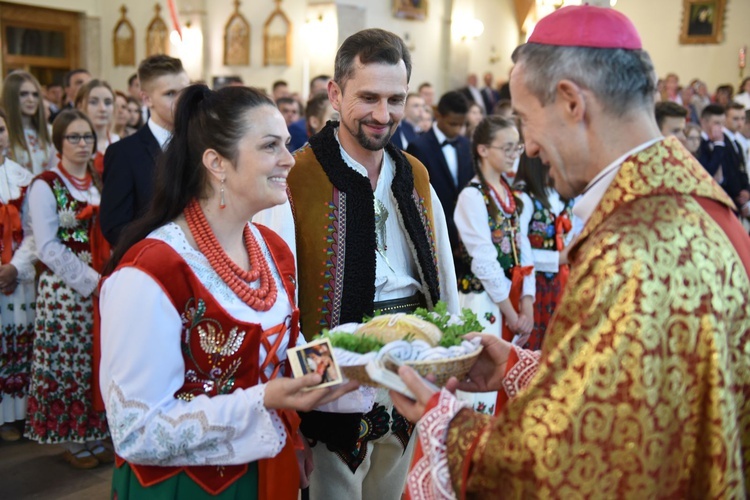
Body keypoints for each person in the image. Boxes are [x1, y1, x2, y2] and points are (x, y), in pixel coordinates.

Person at [391, 5, 750, 498]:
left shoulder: (631, 248)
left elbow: (558, 469)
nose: (529, 149)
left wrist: (446, 424)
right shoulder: (702, 207)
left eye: (525, 120)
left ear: (570, 102)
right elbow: (644, 393)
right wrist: (521, 367)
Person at [98, 83, 356, 499]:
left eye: (287, 145)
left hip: (271, 473)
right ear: (217, 162)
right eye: (271, 146)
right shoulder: (152, 272)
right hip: (187, 488)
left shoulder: (272, 251)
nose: (289, 160)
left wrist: (358, 370)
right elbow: (136, 431)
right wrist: (263, 402)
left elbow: (291, 348)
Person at [254, 28, 458, 500]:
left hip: (408, 364)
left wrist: (441, 362)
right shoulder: (295, 178)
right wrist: (309, 401)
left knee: (392, 491)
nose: (383, 115)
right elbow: (278, 308)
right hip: (333, 376)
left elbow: (442, 279)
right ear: (334, 93)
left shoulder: (415, 173)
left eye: (395, 99)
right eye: (368, 97)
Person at [24, 109, 110, 469]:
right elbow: (47, 246)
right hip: (64, 291)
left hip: (101, 283)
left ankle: (94, 433)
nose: (82, 144)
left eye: (87, 136)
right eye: (73, 137)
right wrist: (91, 282)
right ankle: (72, 439)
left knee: (96, 360)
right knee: (68, 363)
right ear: (59, 142)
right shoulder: (45, 183)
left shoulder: (97, 179)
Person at [453, 116, 534, 415]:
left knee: (510, 385)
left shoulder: (513, 196)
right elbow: (484, 260)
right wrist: (512, 313)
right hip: (484, 300)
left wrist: (528, 303)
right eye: (508, 147)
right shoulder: (472, 197)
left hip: (512, 295)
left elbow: (525, 252)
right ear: (484, 150)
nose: (515, 154)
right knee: (481, 391)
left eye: (518, 147)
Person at [100, 55, 189, 246]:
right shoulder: (124, 153)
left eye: (185, 91)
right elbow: (114, 226)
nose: (181, 101)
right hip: (152, 260)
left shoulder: (201, 144)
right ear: (147, 99)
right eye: (170, 94)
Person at [407, 91, 473, 279]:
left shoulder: (466, 144)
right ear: (439, 116)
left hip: (463, 231)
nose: (457, 130)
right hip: (436, 229)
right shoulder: (419, 147)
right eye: (453, 124)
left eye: (462, 124)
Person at [514, 154, 577, 351]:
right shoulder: (524, 198)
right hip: (535, 285)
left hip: (561, 282)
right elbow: (520, 251)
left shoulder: (562, 195)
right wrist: (558, 258)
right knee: (534, 344)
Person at [0, 109, 36, 442]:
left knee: (17, 341)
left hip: (17, 277)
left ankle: (16, 416)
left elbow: (33, 231)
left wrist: (14, 267)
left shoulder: (22, 176)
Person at [2, 71, 56, 175]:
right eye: (23, 94)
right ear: (11, 97)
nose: (31, 99)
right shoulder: (3, 134)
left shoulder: (50, 131)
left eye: (35, 95)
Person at [75, 79, 119, 176]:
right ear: (79, 106)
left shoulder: (117, 141)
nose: (102, 108)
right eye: (93, 102)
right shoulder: (69, 142)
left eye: (108, 103)